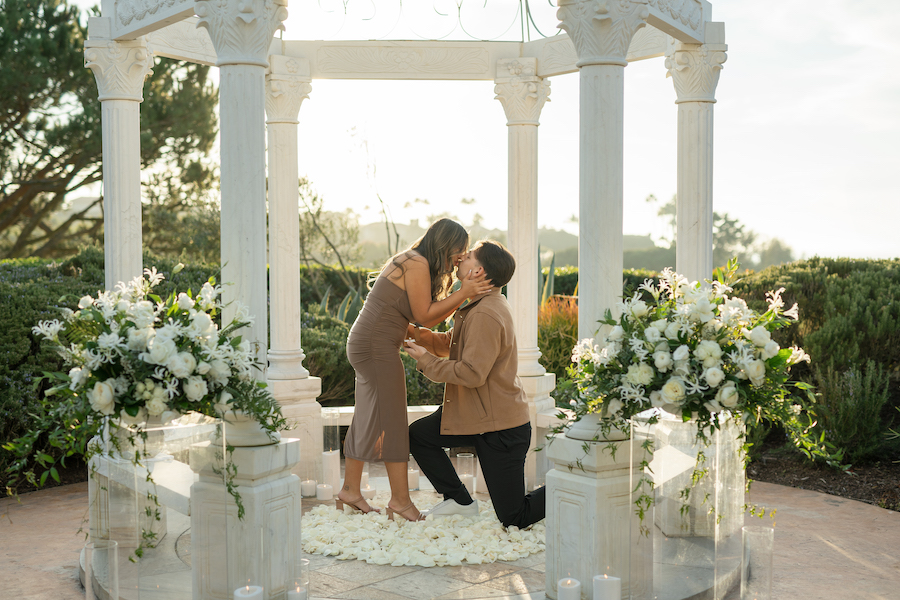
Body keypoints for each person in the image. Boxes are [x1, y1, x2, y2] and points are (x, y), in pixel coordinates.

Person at [338, 218, 493, 522]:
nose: (460, 258)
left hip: (367, 342)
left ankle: (350, 491)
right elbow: (426, 316)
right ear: (445, 244)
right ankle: (400, 500)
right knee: (393, 422)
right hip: (376, 346)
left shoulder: (412, 260)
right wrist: (465, 291)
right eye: (458, 251)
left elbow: (421, 319)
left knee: (368, 417)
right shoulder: (417, 263)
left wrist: (461, 292)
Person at [404, 240, 546, 529]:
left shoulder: (485, 313)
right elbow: (453, 344)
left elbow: (471, 373)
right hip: (476, 416)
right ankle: (458, 500)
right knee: (420, 435)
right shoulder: (481, 305)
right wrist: (418, 336)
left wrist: (426, 361)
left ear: (478, 271)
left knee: (513, 517)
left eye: (467, 257)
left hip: (501, 429)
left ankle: (568, 486)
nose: (459, 260)